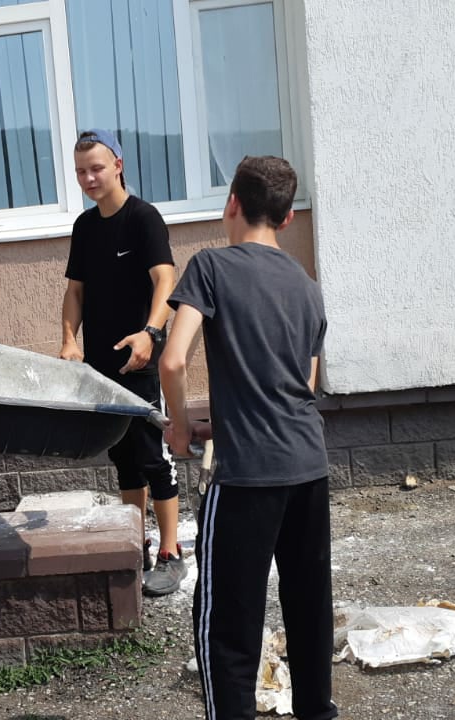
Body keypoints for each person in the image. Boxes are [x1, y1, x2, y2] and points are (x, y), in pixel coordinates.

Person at [160, 156, 337, 720]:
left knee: (227, 624)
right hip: (308, 468)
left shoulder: (210, 267)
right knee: (309, 608)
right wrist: (225, 420)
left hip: (246, 478)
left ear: (232, 202)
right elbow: (299, 387)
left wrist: (181, 430)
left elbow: (172, 361)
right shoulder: (307, 286)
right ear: (286, 218)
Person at [60, 129, 184, 597]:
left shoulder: (143, 218)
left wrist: (150, 333)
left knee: (153, 455)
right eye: (80, 172)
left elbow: (165, 280)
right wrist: (69, 341)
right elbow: (75, 291)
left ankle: (171, 551)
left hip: (141, 359)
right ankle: (140, 543)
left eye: (96, 168)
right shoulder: (84, 227)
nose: (89, 178)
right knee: (123, 458)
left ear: (118, 165)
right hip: (101, 364)